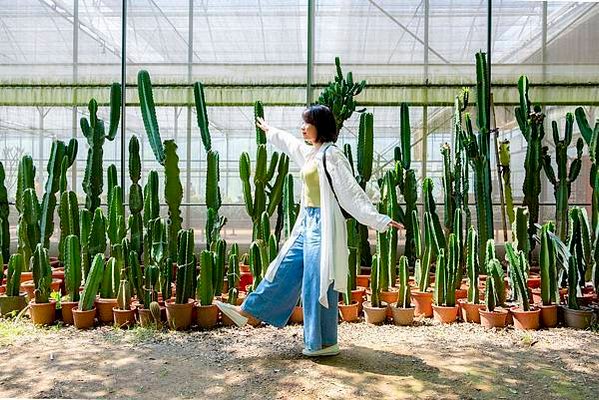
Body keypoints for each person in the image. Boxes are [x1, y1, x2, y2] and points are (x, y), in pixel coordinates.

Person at [216, 105, 403, 357]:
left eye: (307, 123)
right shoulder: (310, 153)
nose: (302, 127)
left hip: (324, 225)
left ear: (321, 126)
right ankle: (250, 311)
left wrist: (379, 219)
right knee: (285, 267)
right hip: (306, 223)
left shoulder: (332, 155)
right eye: (302, 123)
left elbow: (351, 193)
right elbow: (290, 143)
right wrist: (270, 130)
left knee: (318, 281)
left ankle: (323, 342)